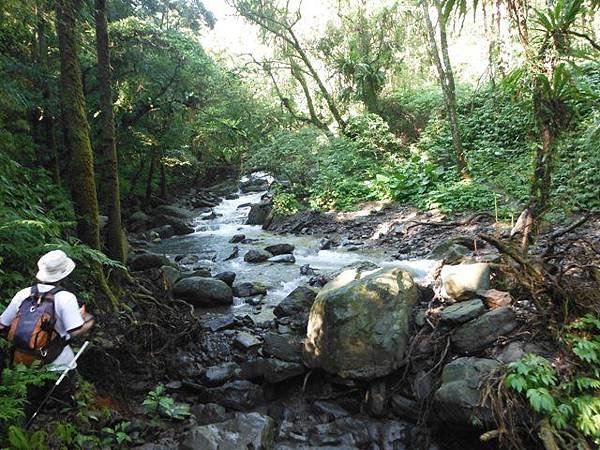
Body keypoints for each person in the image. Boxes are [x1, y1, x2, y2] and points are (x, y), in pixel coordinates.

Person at [0, 250, 94, 371]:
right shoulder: (66, 297)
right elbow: (75, 331)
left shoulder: (23, 294)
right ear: (64, 274)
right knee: (65, 389)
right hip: (58, 365)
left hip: (22, 365)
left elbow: (2, 325)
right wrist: (88, 319)